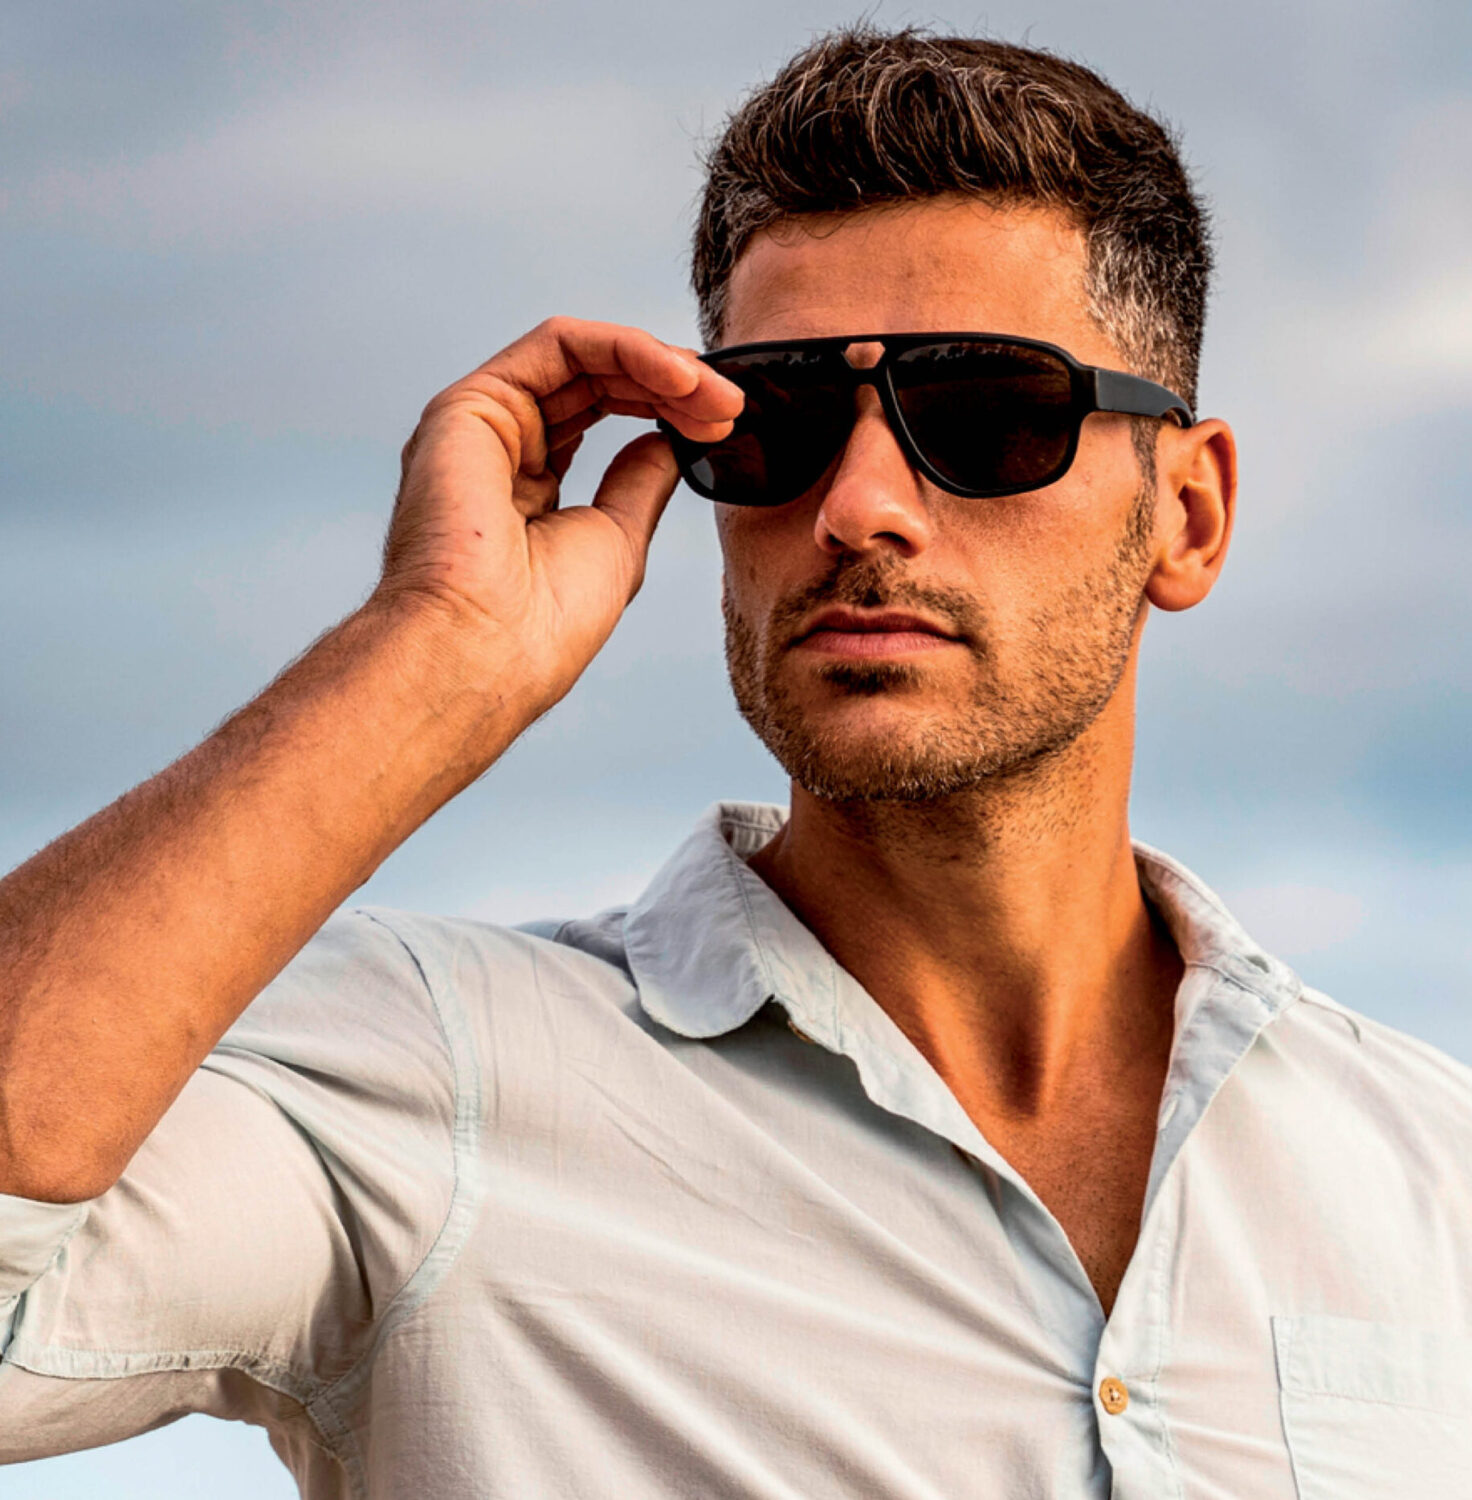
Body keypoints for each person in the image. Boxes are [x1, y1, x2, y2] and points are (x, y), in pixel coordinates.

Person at [3, 23, 1469, 1500]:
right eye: (778, 422)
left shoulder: (1432, 1175)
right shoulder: (435, 1082)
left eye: (983, 415)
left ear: (1190, 512)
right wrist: (432, 652)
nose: (861, 505)